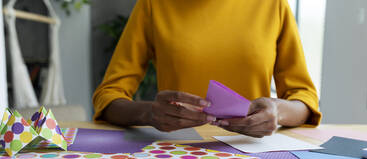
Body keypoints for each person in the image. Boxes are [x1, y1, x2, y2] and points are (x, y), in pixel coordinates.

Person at [93, 0, 321, 138]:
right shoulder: (154, 4)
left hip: (252, 150)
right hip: (174, 152)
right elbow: (108, 96)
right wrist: (148, 113)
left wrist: (277, 111)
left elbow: (304, 99)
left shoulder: (273, 5)